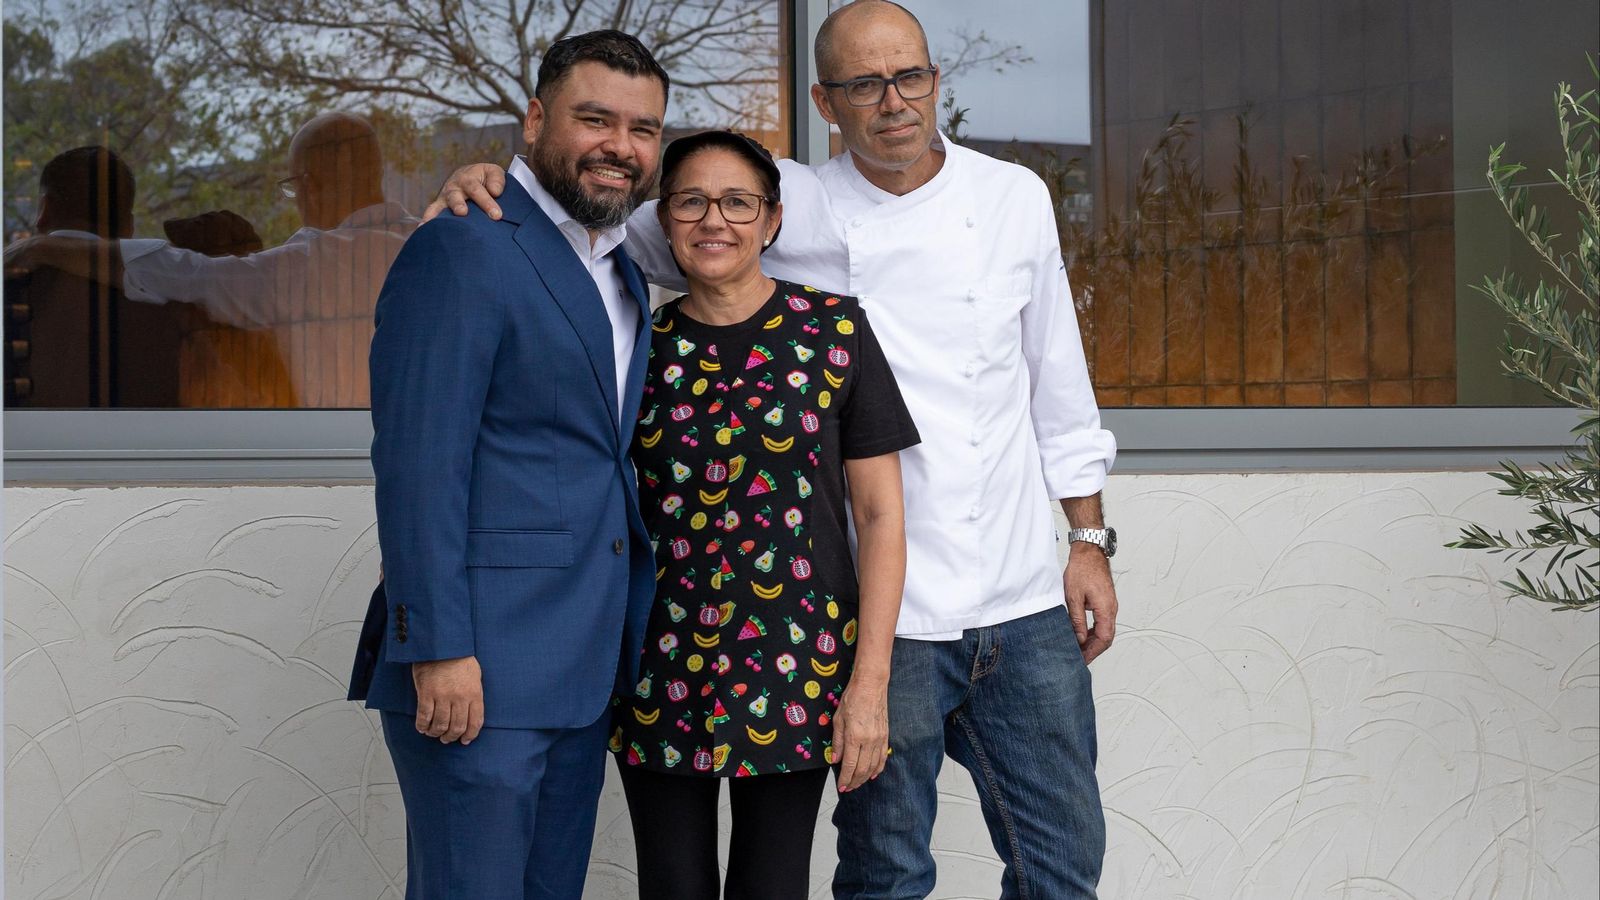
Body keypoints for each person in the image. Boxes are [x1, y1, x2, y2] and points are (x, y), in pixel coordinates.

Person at [431, 2, 1121, 896]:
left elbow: (1057, 382)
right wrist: (493, 181)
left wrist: (1089, 541)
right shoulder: (779, 205)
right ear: (824, 102)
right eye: (863, 84)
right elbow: (591, 222)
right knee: (884, 871)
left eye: (910, 76)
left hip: (1020, 590)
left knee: (1063, 860)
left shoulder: (1014, 199)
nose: (893, 102)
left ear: (936, 82)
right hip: (883, 618)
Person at [345, 30, 668, 900]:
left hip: (580, 664)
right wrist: (438, 644)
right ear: (533, 120)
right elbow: (419, 464)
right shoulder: (464, 245)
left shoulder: (624, 264)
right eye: (594, 118)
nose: (620, 146)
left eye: (643, 130)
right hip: (477, 666)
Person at [614, 129, 918, 899]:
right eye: (691, 201)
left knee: (773, 886)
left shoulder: (836, 332)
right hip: (657, 663)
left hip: (797, 661)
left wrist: (869, 685)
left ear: (772, 221)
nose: (714, 220)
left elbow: (880, 516)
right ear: (664, 219)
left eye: (738, 202)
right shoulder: (636, 346)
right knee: (671, 887)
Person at [3, 112, 415, 406]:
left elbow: (186, 277)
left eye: (292, 186)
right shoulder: (426, 241)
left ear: (312, 185)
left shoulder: (315, 265)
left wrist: (37, 247)